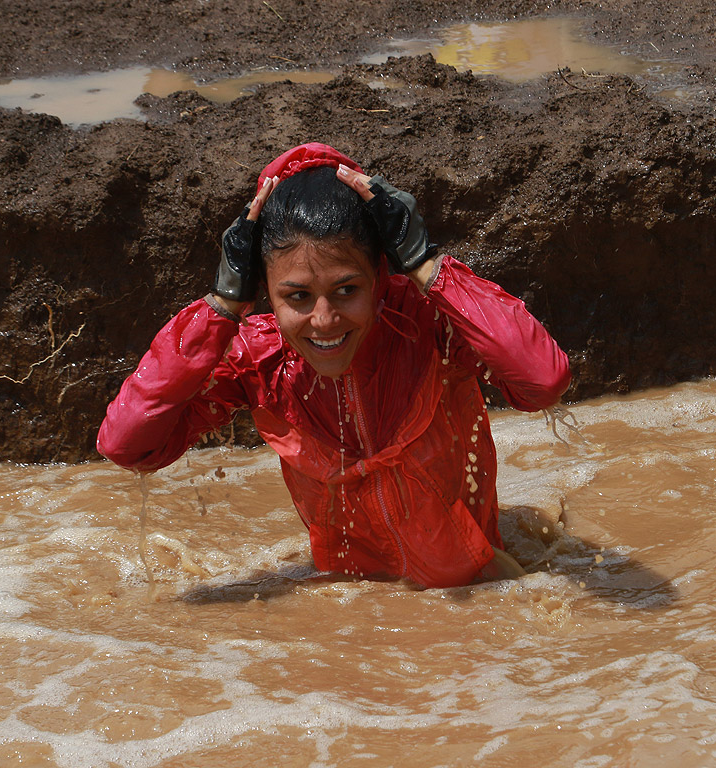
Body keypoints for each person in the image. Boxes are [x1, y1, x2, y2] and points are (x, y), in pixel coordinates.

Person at [97, 142, 571, 588]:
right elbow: (127, 445)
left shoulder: (428, 325)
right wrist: (222, 305)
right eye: (297, 297)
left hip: (483, 591)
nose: (324, 321)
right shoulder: (257, 360)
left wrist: (425, 263)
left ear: (379, 277)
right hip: (353, 608)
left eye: (347, 290)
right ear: (263, 290)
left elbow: (542, 380)